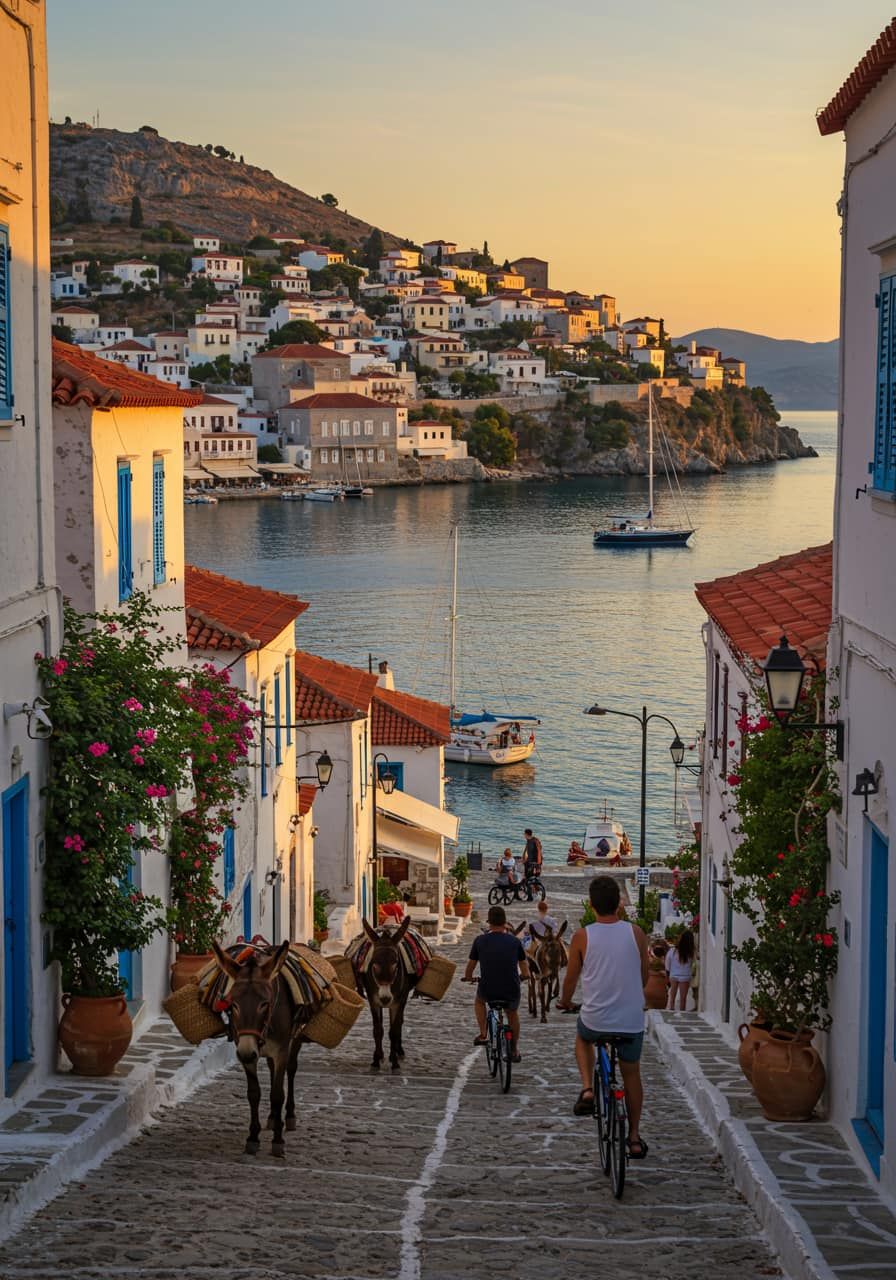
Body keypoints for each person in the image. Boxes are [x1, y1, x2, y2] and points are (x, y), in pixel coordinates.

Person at [558, 875, 650, 1160]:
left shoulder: (583, 936)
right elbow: (644, 976)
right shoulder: (636, 933)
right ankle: (633, 1137)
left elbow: (571, 979)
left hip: (596, 1019)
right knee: (631, 1073)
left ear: (591, 905)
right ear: (619, 905)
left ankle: (587, 1088)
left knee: (583, 1038)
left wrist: (565, 1002)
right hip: (631, 1020)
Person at [464, 904, 530, 1062]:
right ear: (505, 923)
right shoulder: (515, 942)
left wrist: (469, 977)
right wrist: (525, 975)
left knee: (480, 1002)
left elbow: (471, 966)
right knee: (512, 1013)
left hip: (489, 988)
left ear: (490, 923)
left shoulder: (480, 941)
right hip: (511, 988)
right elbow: (524, 965)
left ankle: (483, 1034)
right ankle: (514, 1049)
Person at [665, 929, 695, 1011]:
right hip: (685, 976)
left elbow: (667, 964)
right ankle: (682, 1013)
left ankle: (671, 1011)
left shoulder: (673, 951)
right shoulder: (691, 952)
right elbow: (693, 964)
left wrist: (668, 972)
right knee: (683, 999)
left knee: (672, 998)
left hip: (673, 975)